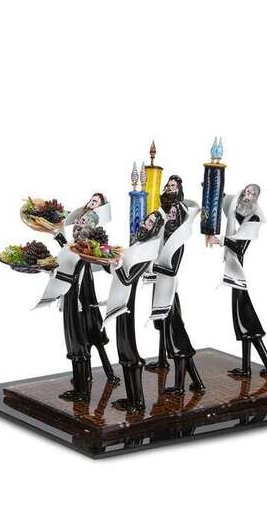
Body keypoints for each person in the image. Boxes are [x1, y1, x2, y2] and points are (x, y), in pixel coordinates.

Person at [52, 194, 118, 401]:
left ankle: (82, 389)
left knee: (81, 330)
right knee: (86, 331)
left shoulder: (92, 231)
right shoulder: (81, 228)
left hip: (80, 286)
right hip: (75, 283)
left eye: (96, 201)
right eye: (91, 200)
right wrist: (59, 236)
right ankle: (87, 378)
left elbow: (87, 255)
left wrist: (109, 263)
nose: (91, 203)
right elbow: (71, 251)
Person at [206, 183, 267, 377]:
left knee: (246, 322)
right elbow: (229, 206)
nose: (247, 194)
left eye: (251, 193)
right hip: (236, 274)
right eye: (246, 191)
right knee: (246, 324)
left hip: (238, 273)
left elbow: (240, 248)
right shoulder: (242, 209)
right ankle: (253, 367)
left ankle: (256, 367)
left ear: (256, 197)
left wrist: (221, 240)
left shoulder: (253, 218)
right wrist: (213, 189)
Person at [150, 176, 205, 395]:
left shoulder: (178, 244)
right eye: (170, 213)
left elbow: (172, 270)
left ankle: (180, 387)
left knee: (177, 340)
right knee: (174, 336)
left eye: (174, 214)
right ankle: (197, 383)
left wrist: (155, 267)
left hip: (169, 292)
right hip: (162, 289)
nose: (171, 216)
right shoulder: (165, 237)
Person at [105, 211, 164, 411]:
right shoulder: (136, 245)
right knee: (122, 349)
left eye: (150, 223)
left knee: (129, 350)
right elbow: (117, 269)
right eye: (146, 220)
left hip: (126, 304)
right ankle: (131, 398)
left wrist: (118, 265)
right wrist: (108, 260)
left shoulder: (148, 253)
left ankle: (138, 402)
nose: (145, 224)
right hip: (119, 301)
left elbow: (128, 279)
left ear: (155, 229)